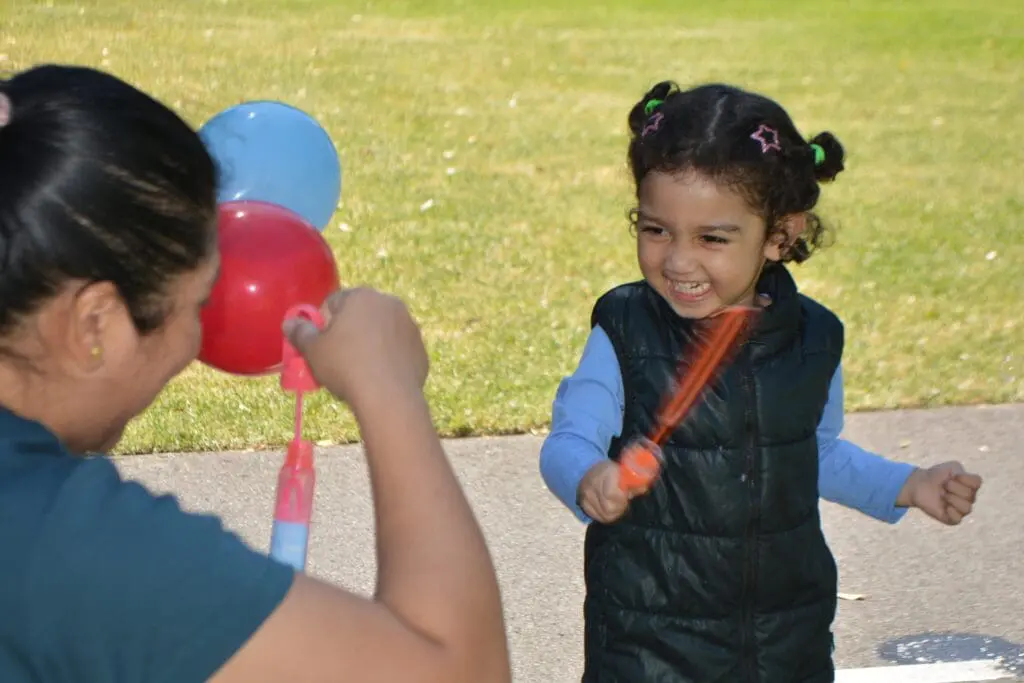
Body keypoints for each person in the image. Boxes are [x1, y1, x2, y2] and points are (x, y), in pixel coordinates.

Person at [0, 64, 511, 683]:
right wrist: (388, 387)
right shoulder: (72, 547)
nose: (194, 345)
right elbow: (462, 671)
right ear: (95, 326)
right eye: (197, 306)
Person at [538, 80, 983, 683]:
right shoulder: (625, 330)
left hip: (784, 641)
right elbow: (567, 441)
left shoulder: (814, 340)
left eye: (712, 239)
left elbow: (813, 452)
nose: (678, 260)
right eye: (655, 229)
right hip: (649, 646)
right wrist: (589, 478)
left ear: (781, 234)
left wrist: (909, 485)